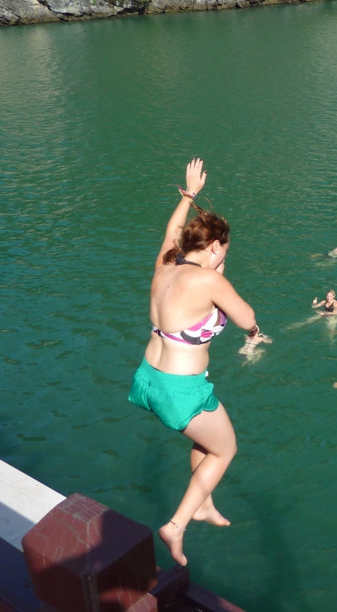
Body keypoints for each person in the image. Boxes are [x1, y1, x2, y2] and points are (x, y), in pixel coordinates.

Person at [128, 159, 264, 567]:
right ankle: (178, 523)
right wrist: (221, 274)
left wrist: (189, 197)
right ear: (216, 247)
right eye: (224, 251)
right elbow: (247, 318)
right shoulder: (209, 280)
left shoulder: (167, 264)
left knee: (205, 440)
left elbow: (171, 234)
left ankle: (203, 503)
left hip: (148, 380)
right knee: (225, 451)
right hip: (180, 388)